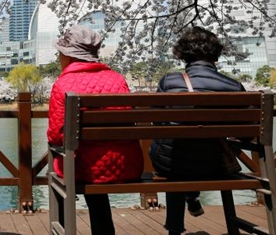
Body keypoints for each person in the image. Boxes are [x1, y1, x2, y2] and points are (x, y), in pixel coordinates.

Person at [47, 25, 144, 235]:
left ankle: (63, 229)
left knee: (69, 159)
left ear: (69, 56)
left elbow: (56, 134)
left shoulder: (64, 84)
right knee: (95, 156)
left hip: (81, 169)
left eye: (60, 53)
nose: (58, 58)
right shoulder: (118, 79)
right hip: (125, 165)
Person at [149, 26, 246, 235]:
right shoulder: (234, 86)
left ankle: (175, 227)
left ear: (183, 53)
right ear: (216, 53)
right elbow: (247, 135)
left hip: (171, 165)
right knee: (197, 150)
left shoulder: (170, 81)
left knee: (176, 151)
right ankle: (193, 197)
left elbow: (155, 121)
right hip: (216, 165)